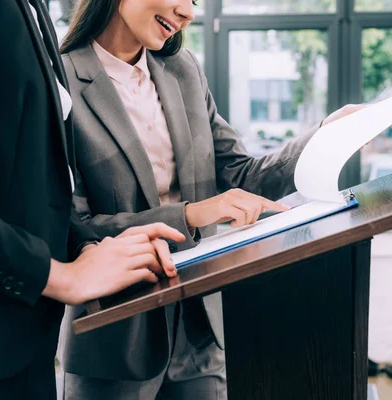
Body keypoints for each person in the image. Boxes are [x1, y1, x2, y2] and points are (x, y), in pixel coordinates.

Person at [58, 0, 364, 398]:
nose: (188, 12)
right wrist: (190, 214)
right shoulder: (60, 80)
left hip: (198, 330)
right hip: (116, 339)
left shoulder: (183, 70)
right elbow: (71, 227)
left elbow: (243, 177)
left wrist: (323, 138)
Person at [0, 0, 185, 399]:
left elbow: (24, 182)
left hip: (24, 348)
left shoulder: (33, 9)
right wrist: (57, 276)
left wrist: (92, 246)